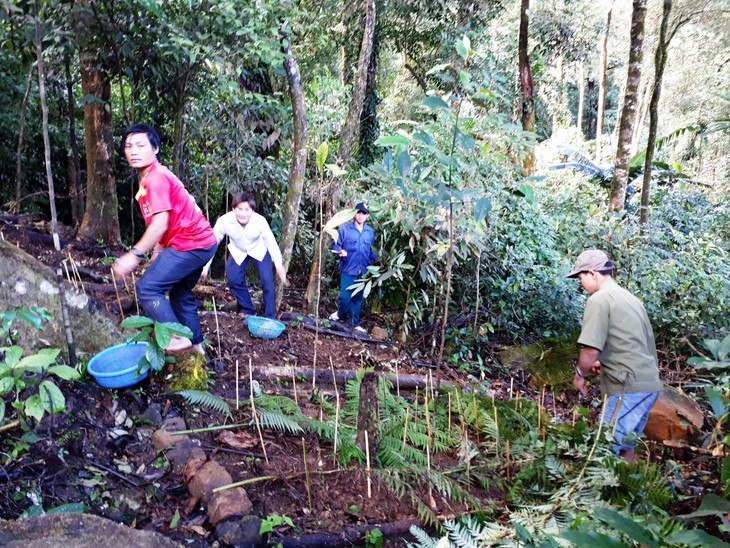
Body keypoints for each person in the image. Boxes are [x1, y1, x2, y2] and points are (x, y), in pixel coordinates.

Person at [112, 124, 218, 354]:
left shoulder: (156, 179)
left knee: (148, 288)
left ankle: (176, 336)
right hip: (202, 242)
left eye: (141, 145)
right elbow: (162, 224)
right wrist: (157, 253)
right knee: (180, 293)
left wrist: (134, 255)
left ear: (156, 148)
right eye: (129, 146)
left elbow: (160, 224)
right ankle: (196, 346)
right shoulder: (149, 179)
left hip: (192, 243)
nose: (134, 151)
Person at [567, 249, 663, 462]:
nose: (581, 284)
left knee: (603, 451)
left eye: (581, 277)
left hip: (627, 388)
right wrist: (606, 360)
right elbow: (635, 343)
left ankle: (600, 494)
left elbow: (590, 348)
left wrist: (579, 374)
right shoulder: (631, 299)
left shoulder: (600, 299)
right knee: (625, 449)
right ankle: (636, 492)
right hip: (648, 386)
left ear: (592, 273)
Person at [201, 192, 286, 319]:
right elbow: (213, 243)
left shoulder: (260, 221)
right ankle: (248, 309)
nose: (243, 213)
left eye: (247, 209)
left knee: (267, 281)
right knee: (233, 279)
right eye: (239, 209)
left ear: (252, 210)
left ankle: (270, 317)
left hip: (259, 249)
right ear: (233, 209)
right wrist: (205, 268)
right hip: (238, 250)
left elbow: (271, 243)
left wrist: (279, 265)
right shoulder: (224, 221)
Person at [329, 201, 377, 333]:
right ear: (354, 213)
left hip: (364, 271)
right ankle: (340, 315)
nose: (361, 216)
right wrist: (340, 251)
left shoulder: (370, 232)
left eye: (364, 214)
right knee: (345, 297)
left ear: (367, 216)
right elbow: (335, 245)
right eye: (359, 212)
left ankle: (354, 323)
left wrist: (381, 260)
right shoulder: (344, 229)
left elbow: (372, 251)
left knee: (358, 298)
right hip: (348, 269)